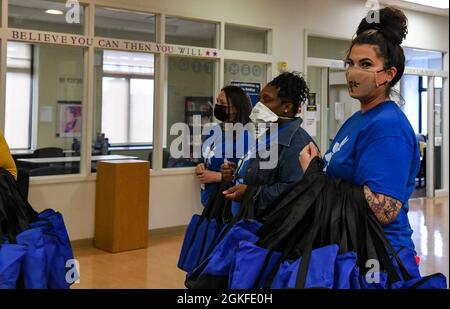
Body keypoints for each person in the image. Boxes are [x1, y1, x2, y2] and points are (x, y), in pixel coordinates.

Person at [299, 7, 420, 254]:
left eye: (365, 64)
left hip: (379, 255)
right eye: (350, 63)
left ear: (388, 74)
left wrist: (313, 175)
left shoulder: (388, 126)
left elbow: (384, 210)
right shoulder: (358, 118)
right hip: (348, 243)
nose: (353, 72)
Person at [221, 72, 315, 216]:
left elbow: (296, 192)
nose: (259, 106)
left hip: (268, 228)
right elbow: (264, 175)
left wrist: (251, 193)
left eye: (266, 100)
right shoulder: (267, 135)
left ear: (287, 107)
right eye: (259, 99)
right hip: (245, 220)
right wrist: (237, 173)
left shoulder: (298, 144)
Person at [195, 86, 252, 207]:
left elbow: (248, 174)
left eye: (222, 103)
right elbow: (205, 157)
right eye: (217, 101)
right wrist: (200, 166)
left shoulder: (245, 136)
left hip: (228, 202)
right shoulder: (214, 130)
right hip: (209, 198)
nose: (217, 105)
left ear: (235, 108)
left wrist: (219, 177)